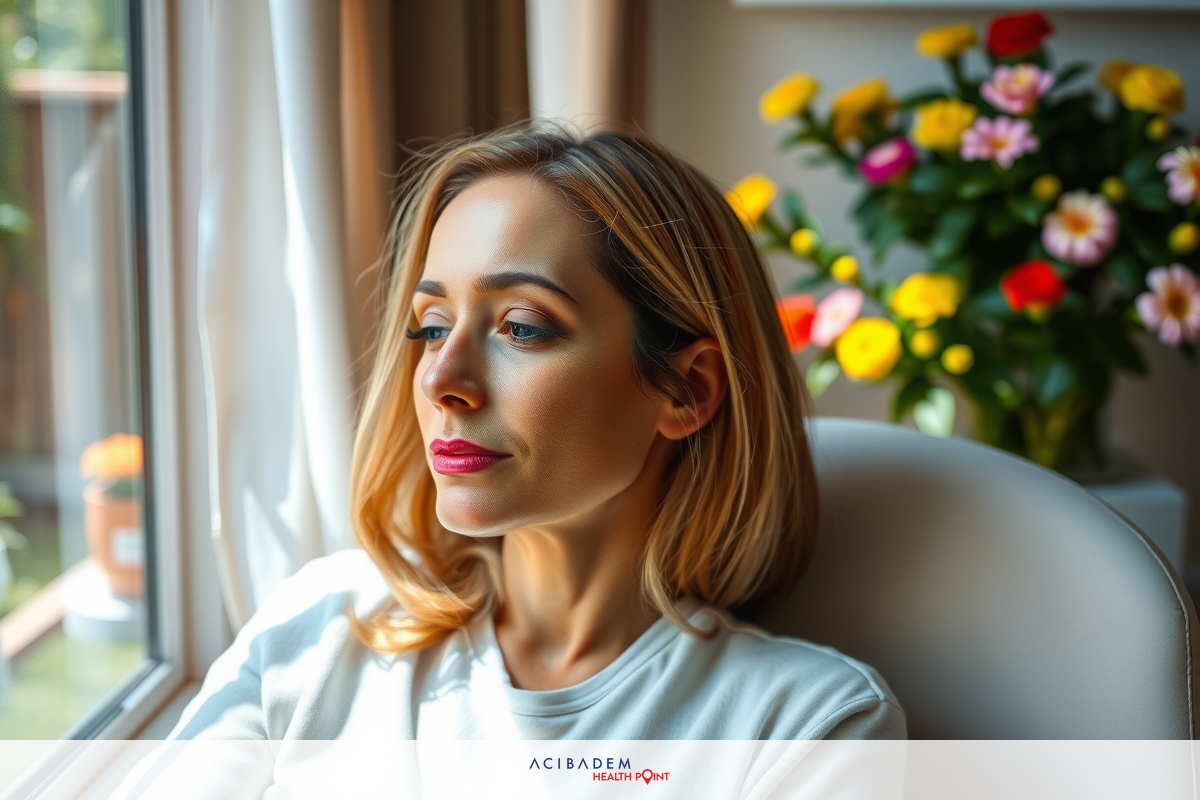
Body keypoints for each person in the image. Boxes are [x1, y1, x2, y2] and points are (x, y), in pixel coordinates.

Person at [113, 124, 904, 799]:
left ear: (686, 390)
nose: (439, 379)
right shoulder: (321, 632)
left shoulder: (807, 730)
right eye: (430, 326)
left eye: (521, 328)